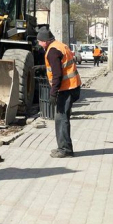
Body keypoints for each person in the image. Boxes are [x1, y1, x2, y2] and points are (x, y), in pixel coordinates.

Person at [37, 27, 82, 158]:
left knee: (61, 119)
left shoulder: (52, 51)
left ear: (45, 41)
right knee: (61, 118)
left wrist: (53, 93)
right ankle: (63, 147)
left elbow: (57, 74)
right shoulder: (60, 45)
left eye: (40, 41)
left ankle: (65, 150)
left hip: (66, 89)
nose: (39, 44)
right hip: (72, 86)